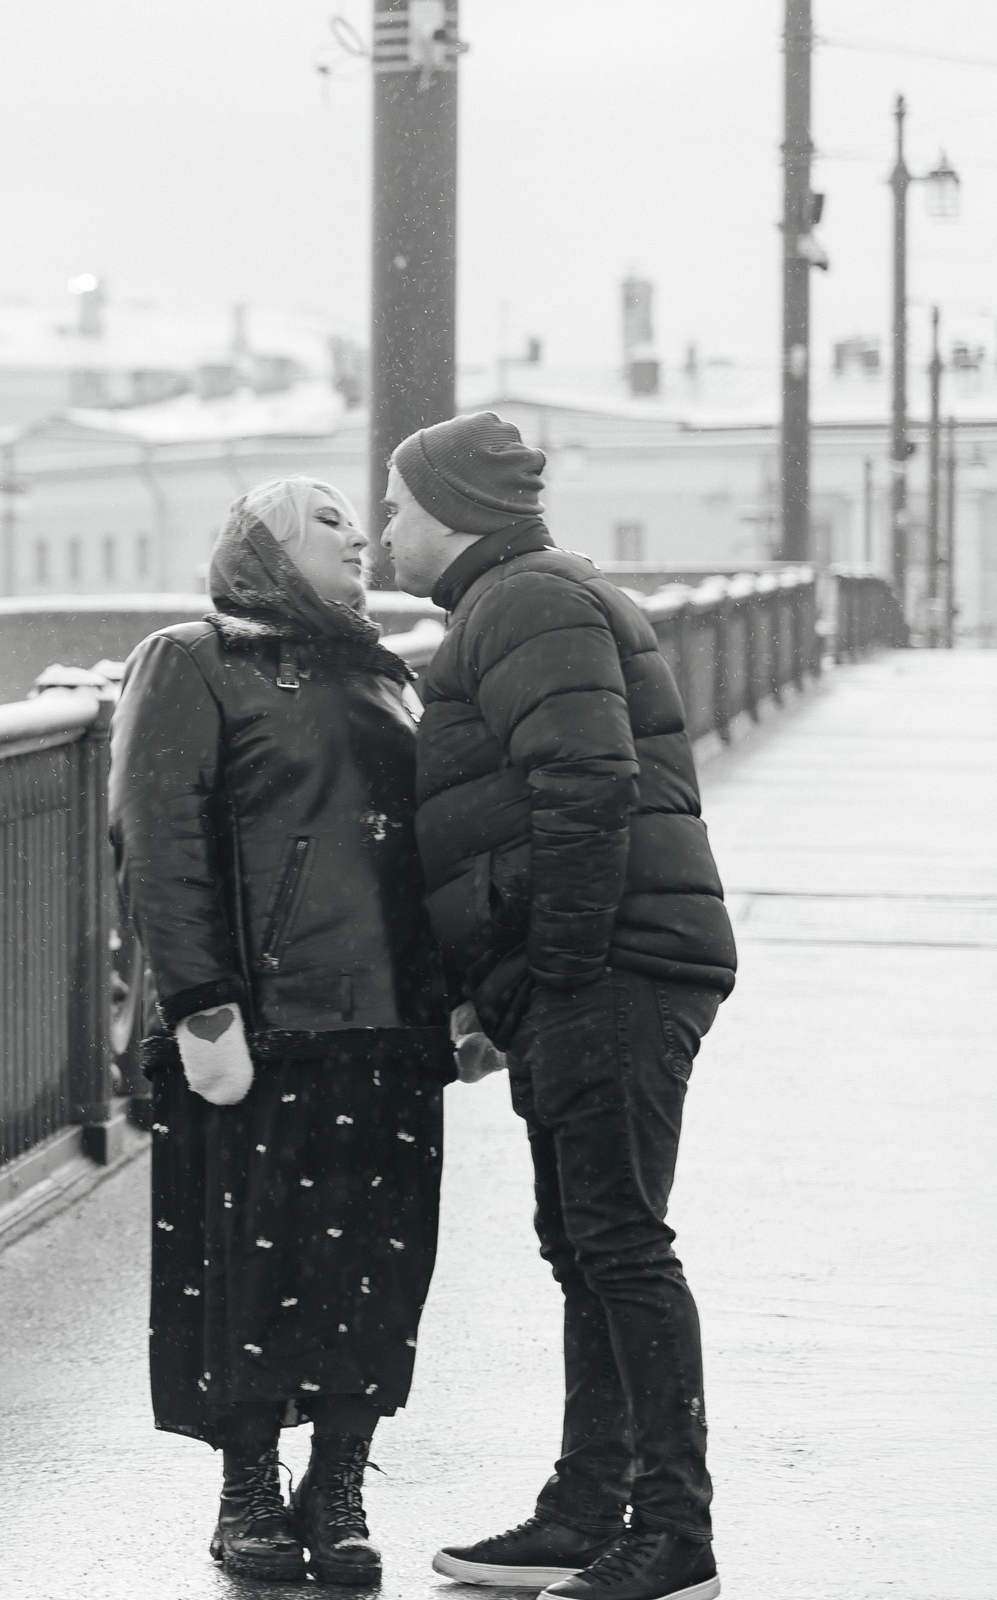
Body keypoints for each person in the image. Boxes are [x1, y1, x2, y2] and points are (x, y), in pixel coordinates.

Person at [384, 413, 736, 1600]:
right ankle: (588, 1509)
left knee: (621, 1241)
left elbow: (586, 782)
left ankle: (673, 1532)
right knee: (586, 1241)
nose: (386, 529)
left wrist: (557, 969)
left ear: (452, 511)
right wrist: (510, 986)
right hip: (597, 967)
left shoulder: (526, 603)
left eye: (396, 505)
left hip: (612, 967)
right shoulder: (516, 599)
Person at [110, 477, 463, 1587]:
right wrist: (201, 1004)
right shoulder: (192, 659)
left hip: (389, 1019)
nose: (358, 536)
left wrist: (454, 991)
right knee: (250, 1271)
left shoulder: (380, 668)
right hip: (263, 1026)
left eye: (359, 524)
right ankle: (249, 1487)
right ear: (262, 547)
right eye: (326, 524)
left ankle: (343, 1478)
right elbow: (159, 840)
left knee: (377, 1265)